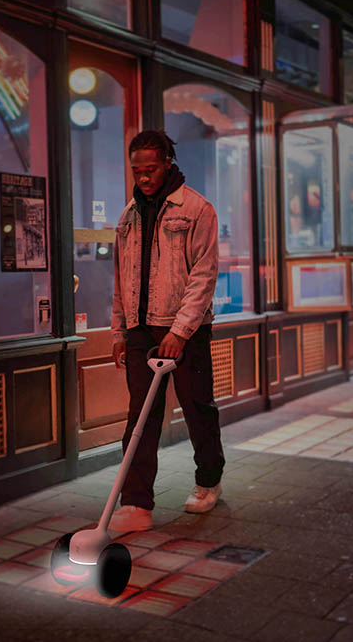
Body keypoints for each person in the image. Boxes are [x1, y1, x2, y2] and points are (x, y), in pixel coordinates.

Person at [109, 129, 225, 532]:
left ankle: (209, 480)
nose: (143, 178)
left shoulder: (197, 209)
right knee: (140, 418)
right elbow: (121, 279)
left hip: (186, 330)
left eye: (151, 169)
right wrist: (119, 330)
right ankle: (136, 503)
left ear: (168, 164)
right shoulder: (128, 216)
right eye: (136, 170)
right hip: (141, 329)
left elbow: (204, 275)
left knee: (198, 409)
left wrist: (180, 330)